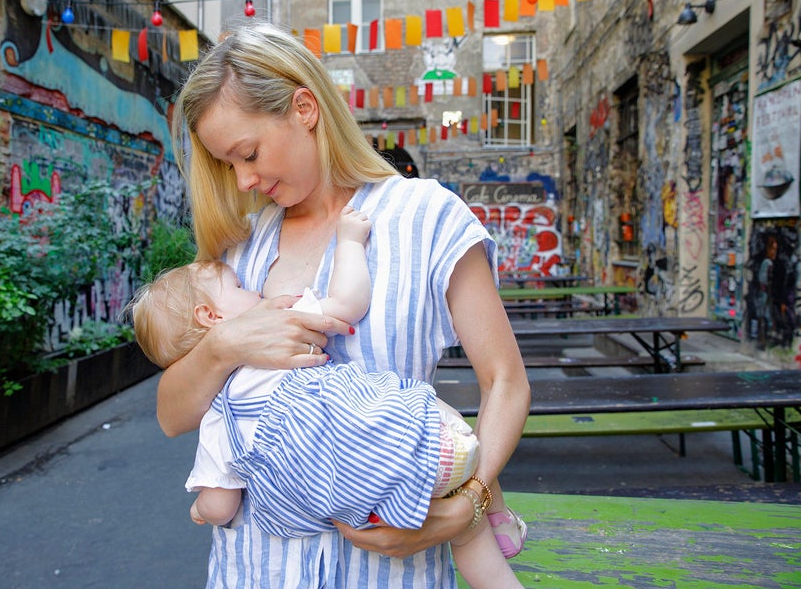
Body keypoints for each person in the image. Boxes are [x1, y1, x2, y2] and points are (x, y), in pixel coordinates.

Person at [157, 21, 531, 588]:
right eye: (227, 165)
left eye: (249, 153)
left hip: (391, 570)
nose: (245, 179)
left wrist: (469, 503)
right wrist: (225, 345)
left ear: (305, 108)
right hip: (255, 569)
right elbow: (171, 416)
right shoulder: (240, 252)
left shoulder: (425, 217)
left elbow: (506, 381)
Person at [130, 207, 526, 589]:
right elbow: (349, 302)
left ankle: (482, 514)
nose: (252, 288)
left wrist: (200, 509)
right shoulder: (279, 321)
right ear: (210, 316)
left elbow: (219, 506)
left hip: (352, 507)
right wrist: (350, 243)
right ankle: (494, 515)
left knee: (462, 521)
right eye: (238, 287)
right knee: (454, 454)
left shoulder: (220, 413)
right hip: (414, 449)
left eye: (250, 153)